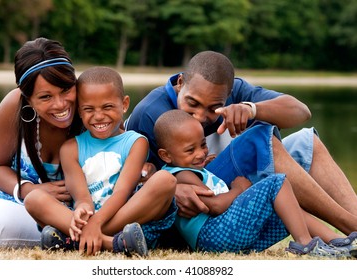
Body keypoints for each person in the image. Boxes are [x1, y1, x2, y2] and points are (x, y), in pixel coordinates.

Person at [125, 50, 357, 246]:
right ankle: (350, 226)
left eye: (213, 108)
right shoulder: (150, 112)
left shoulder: (232, 90)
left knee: (307, 143)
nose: (200, 117)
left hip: (226, 185)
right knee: (259, 138)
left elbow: (301, 112)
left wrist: (251, 109)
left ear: (228, 95)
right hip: (197, 215)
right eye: (192, 104)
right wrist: (172, 189)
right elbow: (131, 178)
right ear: (180, 84)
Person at [154, 109, 357, 257]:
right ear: (166, 155)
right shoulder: (180, 175)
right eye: (191, 150)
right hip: (215, 235)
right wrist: (238, 189)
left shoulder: (189, 171)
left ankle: (338, 242)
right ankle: (305, 243)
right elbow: (214, 206)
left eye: (203, 145)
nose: (200, 153)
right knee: (277, 183)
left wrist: (203, 166)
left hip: (223, 235)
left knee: (286, 206)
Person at [24, 66, 177, 256]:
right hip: (86, 218)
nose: (98, 116)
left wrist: (96, 224)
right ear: (79, 110)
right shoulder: (70, 148)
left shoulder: (136, 142)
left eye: (108, 107)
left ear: (124, 104)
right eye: (88, 109)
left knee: (166, 180)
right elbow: (81, 197)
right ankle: (114, 244)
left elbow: (122, 192)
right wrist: (84, 210)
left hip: (124, 218)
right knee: (33, 199)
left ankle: (76, 240)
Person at [0, 37, 85, 248]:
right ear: (27, 98)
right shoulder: (15, 105)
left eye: (66, 89)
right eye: (46, 97)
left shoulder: (91, 105)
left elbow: (123, 149)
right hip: (13, 191)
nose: (60, 104)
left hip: (56, 212)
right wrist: (28, 190)